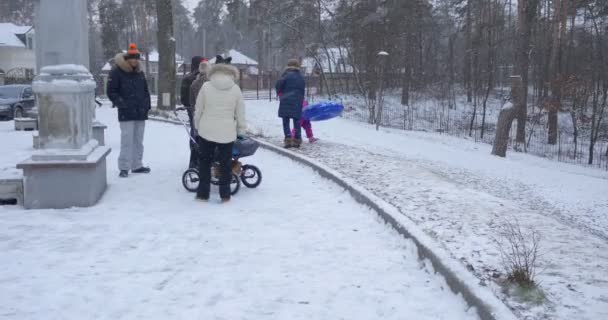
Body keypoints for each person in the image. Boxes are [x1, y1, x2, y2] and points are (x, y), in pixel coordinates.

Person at [193, 55, 246, 203]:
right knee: (225, 163)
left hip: (206, 131)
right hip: (227, 132)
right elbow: (240, 112)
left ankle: (203, 194)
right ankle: (225, 195)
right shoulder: (235, 89)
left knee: (204, 162)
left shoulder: (206, 86)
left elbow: (198, 110)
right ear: (231, 73)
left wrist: (197, 126)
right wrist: (241, 130)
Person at [107, 43, 151, 178]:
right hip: (126, 112)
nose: (134, 60)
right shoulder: (116, 72)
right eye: (131, 58)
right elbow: (111, 91)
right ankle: (124, 167)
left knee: (138, 140)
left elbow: (145, 91)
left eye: (136, 58)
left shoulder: (140, 73)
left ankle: (137, 165)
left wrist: (147, 105)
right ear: (127, 58)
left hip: (140, 112)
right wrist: (121, 103)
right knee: (127, 141)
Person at [276, 59, 306, 148]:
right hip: (297, 101)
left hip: (286, 100)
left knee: (286, 121)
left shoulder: (285, 75)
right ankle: (297, 140)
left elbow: (278, 86)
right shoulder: (300, 77)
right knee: (296, 121)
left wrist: (281, 93)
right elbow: (303, 89)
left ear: (288, 66)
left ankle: (288, 139)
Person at [181, 56, 204, 168]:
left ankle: (194, 159)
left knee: (194, 133)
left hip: (192, 109)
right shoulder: (204, 78)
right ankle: (201, 158)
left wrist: (189, 106)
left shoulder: (187, 78)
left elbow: (184, 98)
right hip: (202, 109)